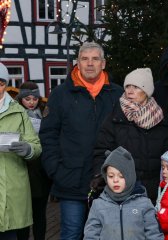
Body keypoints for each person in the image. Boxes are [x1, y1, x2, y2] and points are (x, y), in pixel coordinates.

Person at [39, 42, 123, 240]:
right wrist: (56, 170)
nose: (90, 64)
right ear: (77, 63)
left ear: (103, 63)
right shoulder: (60, 94)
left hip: (108, 182)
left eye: (95, 59)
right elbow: (48, 135)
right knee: (71, 234)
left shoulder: (117, 94)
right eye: (85, 59)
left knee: (106, 235)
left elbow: (126, 135)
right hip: (70, 182)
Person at [92, 68, 168, 203]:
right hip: (122, 191)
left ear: (146, 91)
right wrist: (100, 175)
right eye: (127, 86)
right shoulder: (115, 117)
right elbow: (101, 150)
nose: (130, 91)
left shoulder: (160, 119)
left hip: (154, 193)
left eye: (136, 87)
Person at [84, 146, 164, 240]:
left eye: (121, 176)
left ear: (130, 176)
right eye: (110, 176)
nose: (115, 180)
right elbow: (90, 236)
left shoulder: (144, 204)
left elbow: (154, 234)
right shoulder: (98, 205)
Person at [0, 63, 41, 239]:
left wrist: (28, 149)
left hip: (12, 189)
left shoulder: (19, 112)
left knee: (10, 235)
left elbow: (36, 145)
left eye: (0, 83)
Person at [15, 81, 51, 240]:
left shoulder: (46, 113)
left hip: (41, 171)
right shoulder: (15, 114)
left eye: (34, 99)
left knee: (39, 212)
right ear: (20, 99)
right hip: (21, 169)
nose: (31, 102)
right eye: (27, 99)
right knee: (22, 213)